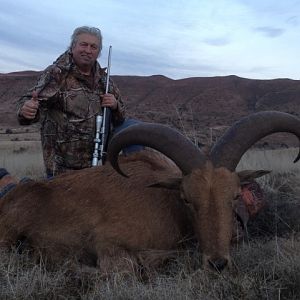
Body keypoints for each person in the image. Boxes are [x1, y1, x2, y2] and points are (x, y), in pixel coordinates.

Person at [16, 26, 142, 177]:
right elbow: (28, 104)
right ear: (73, 46)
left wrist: (115, 106)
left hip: (98, 163)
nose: (88, 50)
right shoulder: (56, 74)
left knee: (134, 127)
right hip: (63, 168)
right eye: (84, 44)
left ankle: (137, 176)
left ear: (98, 52)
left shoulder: (105, 81)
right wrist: (27, 110)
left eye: (93, 47)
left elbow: (121, 118)